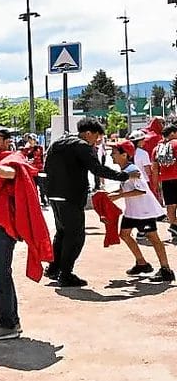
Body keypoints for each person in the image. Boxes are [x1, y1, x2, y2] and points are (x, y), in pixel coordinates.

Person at [0, 126, 52, 342]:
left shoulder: (10, 158)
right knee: (1, 275)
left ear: (7, 141)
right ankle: (11, 321)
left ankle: (8, 324)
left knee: (1, 275)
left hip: (2, 225)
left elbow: (10, 173)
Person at [44, 118, 133, 286]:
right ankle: (65, 273)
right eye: (97, 137)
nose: (97, 141)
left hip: (54, 194)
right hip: (71, 196)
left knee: (62, 233)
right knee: (76, 236)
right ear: (88, 133)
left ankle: (54, 268)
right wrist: (124, 176)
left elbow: (46, 166)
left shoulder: (58, 142)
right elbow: (97, 169)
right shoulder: (83, 146)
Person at [107, 141, 174, 281]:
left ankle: (166, 269)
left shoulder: (132, 170)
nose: (111, 155)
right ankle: (142, 263)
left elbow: (141, 190)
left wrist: (119, 196)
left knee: (153, 238)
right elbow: (126, 187)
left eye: (114, 152)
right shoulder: (125, 170)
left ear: (124, 155)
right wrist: (112, 194)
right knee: (124, 234)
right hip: (132, 212)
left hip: (144, 212)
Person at [152, 124, 177, 239]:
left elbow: (155, 169)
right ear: (172, 133)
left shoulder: (157, 149)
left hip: (165, 180)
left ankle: (174, 228)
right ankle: (175, 228)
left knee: (170, 206)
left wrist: (155, 185)